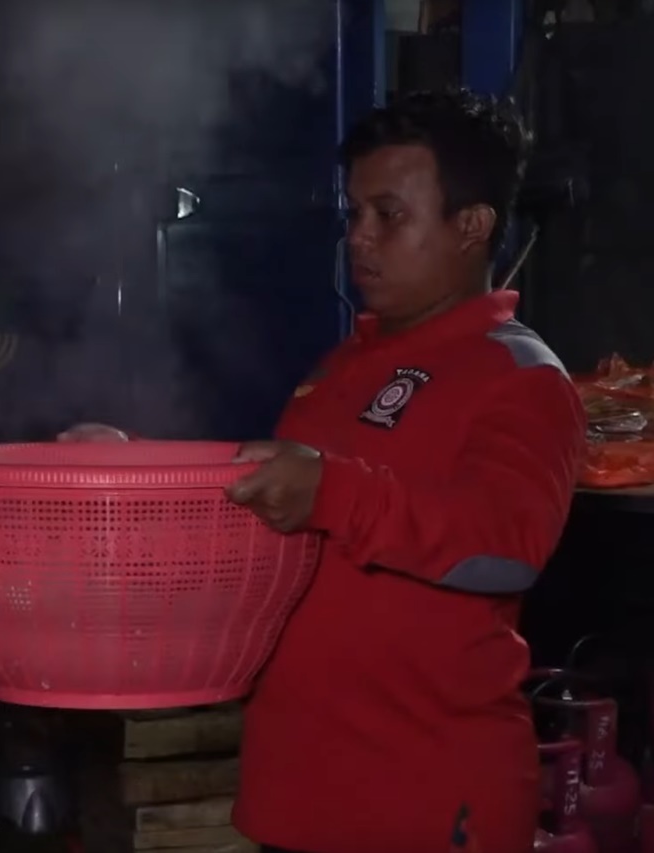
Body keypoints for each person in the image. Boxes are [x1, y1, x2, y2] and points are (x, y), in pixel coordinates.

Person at [61, 89, 586, 853]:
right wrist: (134, 468)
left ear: (471, 226)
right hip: (300, 791)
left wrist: (332, 489)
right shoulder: (343, 367)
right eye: (353, 214)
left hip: (428, 802)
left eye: (389, 214)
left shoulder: (521, 377)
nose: (359, 238)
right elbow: (268, 519)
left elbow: (505, 546)